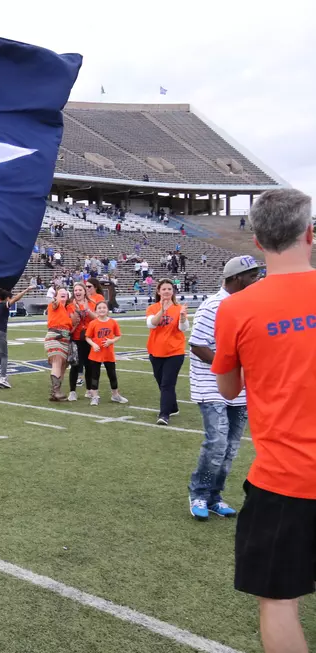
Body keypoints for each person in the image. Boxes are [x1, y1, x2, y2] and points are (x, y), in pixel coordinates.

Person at [211, 189, 316, 653]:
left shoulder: (235, 308)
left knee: (278, 602)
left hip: (284, 481)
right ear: (309, 233)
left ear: (256, 240)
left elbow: (229, 389)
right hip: (286, 478)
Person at [186, 256, 261, 521]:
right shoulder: (213, 306)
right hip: (212, 386)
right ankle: (198, 494)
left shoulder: (249, 305)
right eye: (253, 276)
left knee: (230, 448)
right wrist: (227, 367)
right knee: (217, 443)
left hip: (240, 388)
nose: (257, 280)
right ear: (237, 278)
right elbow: (197, 344)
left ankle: (214, 497)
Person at [146, 279, 189, 425]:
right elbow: (151, 324)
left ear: (173, 291)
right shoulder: (152, 308)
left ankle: (164, 414)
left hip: (175, 352)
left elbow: (184, 328)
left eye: (169, 289)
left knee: (167, 384)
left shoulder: (178, 308)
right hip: (155, 351)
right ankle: (173, 406)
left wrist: (183, 317)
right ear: (158, 291)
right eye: (163, 289)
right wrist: (162, 310)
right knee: (161, 382)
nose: (166, 292)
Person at [84, 301, 128, 406]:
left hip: (108, 353)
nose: (102, 310)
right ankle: (95, 396)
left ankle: (115, 395)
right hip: (96, 354)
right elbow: (87, 337)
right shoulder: (93, 323)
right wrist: (93, 345)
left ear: (107, 310)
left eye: (104, 307)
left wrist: (111, 341)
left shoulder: (113, 322)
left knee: (112, 374)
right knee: (95, 375)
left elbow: (118, 335)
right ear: (96, 311)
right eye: (99, 308)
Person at [0, 285, 30, 389]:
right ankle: (3, 378)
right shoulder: (3, 305)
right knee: (4, 356)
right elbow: (16, 298)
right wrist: (26, 289)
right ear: (7, 297)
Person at [66, 282, 96, 401]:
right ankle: (72, 391)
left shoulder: (92, 304)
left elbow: (97, 318)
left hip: (89, 338)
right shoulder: (70, 305)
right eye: (75, 290)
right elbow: (69, 321)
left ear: (84, 291)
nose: (77, 292)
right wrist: (75, 316)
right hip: (76, 338)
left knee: (89, 365)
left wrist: (88, 311)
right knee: (75, 365)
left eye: (80, 290)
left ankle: (89, 389)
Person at [44, 287, 73, 401]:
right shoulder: (54, 305)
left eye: (65, 293)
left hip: (65, 339)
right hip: (55, 336)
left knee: (63, 365)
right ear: (55, 296)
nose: (63, 293)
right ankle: (55, 391)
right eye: (60, 293)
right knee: (57, 361)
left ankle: (56, 391)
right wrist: (54, 300)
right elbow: (54, 303)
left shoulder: (67, 311)